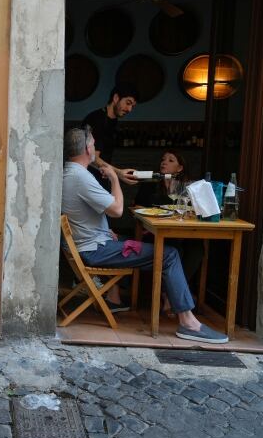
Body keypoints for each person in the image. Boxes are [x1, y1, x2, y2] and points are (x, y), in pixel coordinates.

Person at [61, 127, 228, 343]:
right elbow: (117, 209)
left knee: (154, 247)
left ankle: (165, 302)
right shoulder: (81, 177)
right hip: (95, 250)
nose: (95, 148)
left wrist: (104, 229)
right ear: (86, 148)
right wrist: (114, 179)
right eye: (93, 143)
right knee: (169, 254)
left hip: (91, 243)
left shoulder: (70, 172)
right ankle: (188, 323)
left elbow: (84, 214)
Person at [134, 150, 204, 316]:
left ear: (179, 168)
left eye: (170, 160)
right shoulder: (151, 182)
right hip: (154, 231)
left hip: (180, 230)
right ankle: (172, 296)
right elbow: (137, 206)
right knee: (174, 249)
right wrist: (146, 217)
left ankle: (170, 293)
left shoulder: (186, 187)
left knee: (197, 248)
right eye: (163, 159)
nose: (164, 162)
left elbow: (193, 210)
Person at [81, 83, 140, 188]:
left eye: (132, 106)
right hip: (87, 182)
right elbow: (92, 157)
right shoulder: (96, 119)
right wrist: (119, 173)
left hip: (101, 180)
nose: (130, 109)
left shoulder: (113, 121)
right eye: (128, 103)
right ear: (116, 98)